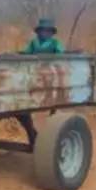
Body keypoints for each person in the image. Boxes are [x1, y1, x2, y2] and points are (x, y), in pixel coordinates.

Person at [16, 18, 65, 146]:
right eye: (43, 31)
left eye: (48, 31)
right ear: (39, 32)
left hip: (50, 73)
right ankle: (34, 134)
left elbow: (61, 56)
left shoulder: (55, 43)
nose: (45, 33)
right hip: (34, 73)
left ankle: (47, 134)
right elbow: (27, 54)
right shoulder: (34, 43)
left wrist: (52, 60)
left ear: (51, 32)